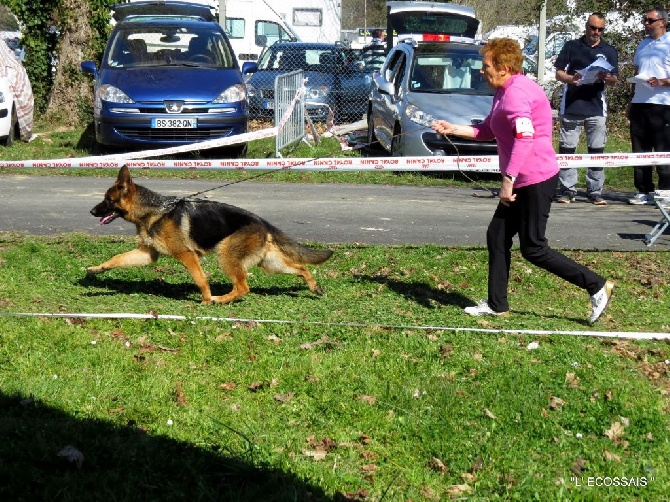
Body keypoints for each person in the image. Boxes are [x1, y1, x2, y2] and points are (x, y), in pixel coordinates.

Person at [431, 38, 613, 323]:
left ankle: (597, 285)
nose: (482, 71)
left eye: (486, 66)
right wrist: (452, 128)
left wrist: (508, 180)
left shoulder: (517, 94)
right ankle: (497, 304)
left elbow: (524, 138)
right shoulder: (504, 91)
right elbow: (488, 131)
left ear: (504, 67)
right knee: (498, 235)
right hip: (521, 178)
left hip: (535, 178)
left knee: (534, 248)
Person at [554, 12, 619, 205]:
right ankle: (567, 190)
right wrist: (570, 79)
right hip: (573, 105)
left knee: (596, 150)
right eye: (593, 28)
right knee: (567, 150)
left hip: (596, 108)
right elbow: (558, 72)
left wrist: (607, 78)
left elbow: (615, 79)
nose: (596, 32)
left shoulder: (609, 50)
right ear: (586, 26)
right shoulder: (572, 46)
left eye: (600, 29)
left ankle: (595, 191)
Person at [627, 6, 670, 205]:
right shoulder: (642, 44)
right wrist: (631, 100)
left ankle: (665, 191)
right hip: (639, 103)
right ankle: (643, 190)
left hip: (662, 105)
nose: (646, 23)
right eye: (645, 20)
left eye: (650, 20)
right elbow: (637, 72)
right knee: (640, 149)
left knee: (662, 149)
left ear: (662, 22)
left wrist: (662, 82)